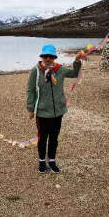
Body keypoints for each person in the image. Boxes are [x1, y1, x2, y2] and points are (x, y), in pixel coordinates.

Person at [26, 44, 82, 173]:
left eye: (51, 56)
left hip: (58, 111)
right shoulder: (35, 70)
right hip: (42, 112)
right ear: (42, 57)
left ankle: (51, 160)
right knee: (42, 138)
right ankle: (41, 161)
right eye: (45, 56)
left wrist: (77, 61)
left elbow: (74, 73)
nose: (48, 59)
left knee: (54, 138)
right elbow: (30, 90)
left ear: (54, 57)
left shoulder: (60, 70)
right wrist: (30, 109)